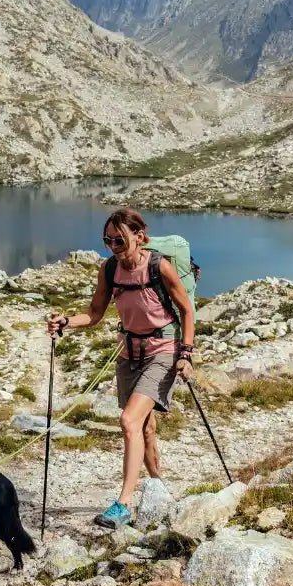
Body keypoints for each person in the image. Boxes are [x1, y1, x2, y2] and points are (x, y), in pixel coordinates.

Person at [48, 208, 196, 528]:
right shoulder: (110, 269)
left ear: (140, 237)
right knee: (143, 427)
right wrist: (66, 323)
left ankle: (124, 503)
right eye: (108, 241)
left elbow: (186, 310)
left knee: (129, 420)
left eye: (119, 239)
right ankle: (157, 485)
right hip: (129, 355)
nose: (113, 246)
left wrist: (186, 353)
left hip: (163, 351)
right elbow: (95, 313)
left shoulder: (160, 267)